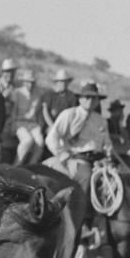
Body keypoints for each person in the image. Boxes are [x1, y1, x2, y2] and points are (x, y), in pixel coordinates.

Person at [44, 81, 113, 232]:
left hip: (98, 159)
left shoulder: (100, 120)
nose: (90, 101)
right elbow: (51, 138)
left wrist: (108, 158)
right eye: (87, 97)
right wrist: (65, 158)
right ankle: (81, 222)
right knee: (85, 177)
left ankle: (106, 226)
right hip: (77, 158)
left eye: (94, 98)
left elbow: (107, 144)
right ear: (80, 99)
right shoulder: (69, 114)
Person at [12, 69, 45, 165]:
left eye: (32, 82)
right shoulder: (17, 92)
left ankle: (32, 165)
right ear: (24, 82)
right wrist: (13, 124)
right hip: (19, 122)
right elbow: (14, 110)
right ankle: (16, 165)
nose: (30, 85)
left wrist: (40, 125)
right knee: (27, 140)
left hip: (33, 123)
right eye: (28, 82)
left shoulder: (38, 95)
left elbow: (38, 112)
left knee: (40, 142)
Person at [0, 58, 20, 163]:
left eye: (12, 71)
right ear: (3, 72)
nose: (10, 74)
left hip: (9, 123)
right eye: (7, 71)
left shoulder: (14, 87)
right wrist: (3, 97)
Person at [41, 69, 78, 134]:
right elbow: (45, 111)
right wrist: (52, 126)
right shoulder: (49, 94)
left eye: (65, 81)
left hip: (65, 125)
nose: (63, 83)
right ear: (57, 82)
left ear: (68, 82)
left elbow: (73, 113)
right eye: (61, 81)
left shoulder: (71, 96)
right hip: (50, 124)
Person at [105, 98, 130, 164]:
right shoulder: (107, 122)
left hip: (120, 152)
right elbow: (105, 135)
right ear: (112, 112)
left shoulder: (119, 125)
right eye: (117, 110)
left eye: (120, 110)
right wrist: (117, 137)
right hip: (111, 153)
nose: (120, 112)